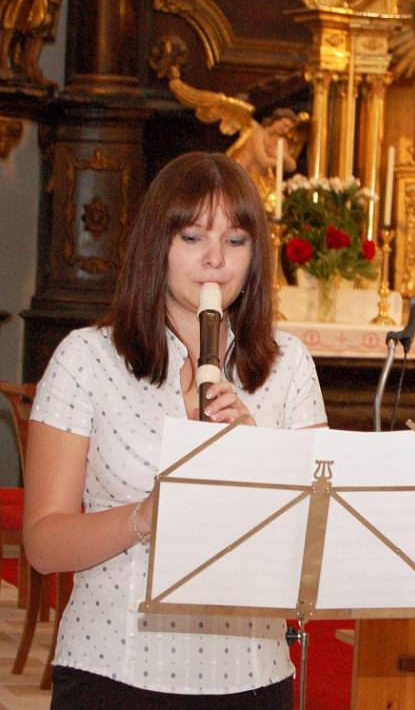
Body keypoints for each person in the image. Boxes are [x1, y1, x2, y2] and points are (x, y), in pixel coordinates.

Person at [23, 152, 327, 709]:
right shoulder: (87, 359)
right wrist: (148, 515)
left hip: (252, 675)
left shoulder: (289, 366)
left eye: (236, 241)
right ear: (156, 246)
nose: (216, 260)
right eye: (192, 237)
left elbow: (317, 541)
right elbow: (43, 544)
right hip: (112, 667)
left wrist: (260, 456)